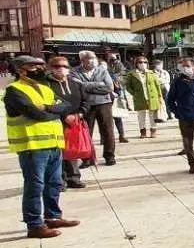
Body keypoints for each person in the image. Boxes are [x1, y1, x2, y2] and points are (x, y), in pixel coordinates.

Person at [5, 55, 80, 238]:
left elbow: (66, 105)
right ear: (20, 70)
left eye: (40, 66)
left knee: (54, 182)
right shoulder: (14, 90)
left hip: (53, 143)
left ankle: (53, 216)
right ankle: (34, 224)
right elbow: (34, 113)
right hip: (32, 146)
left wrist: (47, 108)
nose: (39, 69)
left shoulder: (45, 89)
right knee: (35, 185)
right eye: (33, 66)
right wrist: (53, 110)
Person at [48, 56, 107, 189]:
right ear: (51, 68)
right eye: (57, 66)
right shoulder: (47, 85)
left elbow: (86, 101)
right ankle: (60, 179)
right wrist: (64, 116)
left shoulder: (76, 83)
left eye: (65, 66)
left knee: (73, 149)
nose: (61, 69)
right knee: (59, 152)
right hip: (56, 122)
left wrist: (80, 113)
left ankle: (73, 177)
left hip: (76, 121)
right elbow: (48, 103)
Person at [71, 50, 117, 166]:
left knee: (108, 131)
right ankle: (87, 158)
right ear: (83, 61)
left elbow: (109, 87)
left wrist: (87, 87)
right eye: (90, 58)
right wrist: (98, 84)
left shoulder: (102, 70)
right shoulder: (75, 72)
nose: (93, 60)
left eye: (94, 58)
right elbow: (77, 86)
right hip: (86, 105)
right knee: (86, 132)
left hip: (104, 104)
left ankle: (109, 156)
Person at [123, 56, 164, 139]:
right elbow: (128, 86)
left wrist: (160, 96)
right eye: (140, 62)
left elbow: (157, 85)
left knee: (152, 115)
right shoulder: (132, 74)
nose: (143, 64)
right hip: (140, 97)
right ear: (136, 64)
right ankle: (143, 131)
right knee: (141, 115)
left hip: (152, 97)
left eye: (145, 62)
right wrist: (134, 93)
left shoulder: (151, 73)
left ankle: (153, 130)